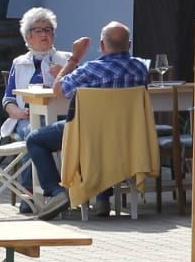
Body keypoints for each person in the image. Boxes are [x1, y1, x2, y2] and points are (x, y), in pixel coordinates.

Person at [23, 21, 150, 217]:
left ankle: (57, 192)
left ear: (101, 45)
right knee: (104, 141)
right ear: (129, 44)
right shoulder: (141, 68)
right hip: (127, 137)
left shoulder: (91, 70)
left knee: (35, 138)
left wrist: (74, 57)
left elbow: (58, 90)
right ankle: (102, 199)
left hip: (88, 137)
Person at [0, 7, 71, 144]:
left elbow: (81, 92)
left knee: (44, 134)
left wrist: (65, 74)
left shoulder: (67, 60)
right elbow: (8, 99)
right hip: (27, 119)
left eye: (48, 30)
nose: (44, 35)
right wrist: (18, 113)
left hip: (61, 117)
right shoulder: (19, 63)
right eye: (38, 31)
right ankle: (36, 166)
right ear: (28, 37)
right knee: (34, 133)